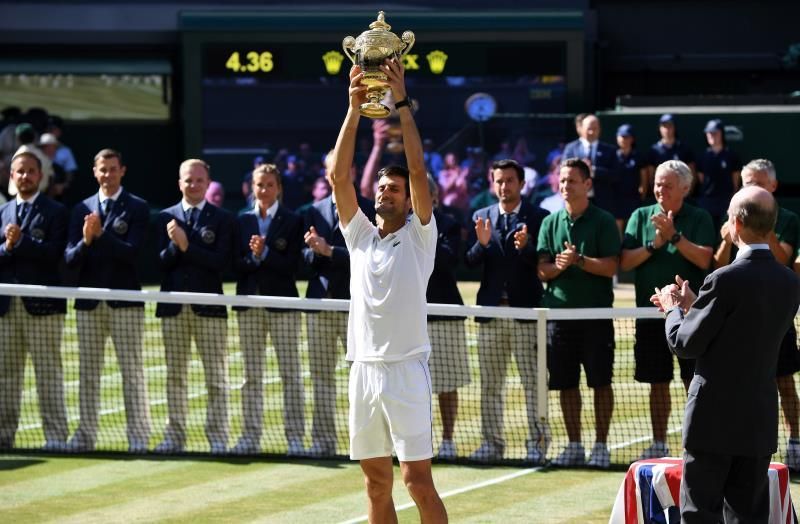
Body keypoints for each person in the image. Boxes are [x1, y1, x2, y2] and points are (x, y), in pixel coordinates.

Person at [329, 59, 446, 523]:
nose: (387, 192)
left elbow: (418, 170)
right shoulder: (358, 234)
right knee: (375, 484)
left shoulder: (420, 235)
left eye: (395, 188)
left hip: (406, 372)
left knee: (417, 483)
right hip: (364, 372)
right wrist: (354, 109)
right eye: (381, 186)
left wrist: (399, 102)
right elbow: (339, 178)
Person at [653, 185, 800, 523]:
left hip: (713, 420)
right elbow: (744, 326)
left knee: (700, 515)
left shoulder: (724, 279)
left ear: (734, 223)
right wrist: (697, 307)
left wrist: (673, 308)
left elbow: (684, 344)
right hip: (757, 419)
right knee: (749, 517)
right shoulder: (789, 281)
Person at [619, 160, 714, 459]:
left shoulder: (699, 217)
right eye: (657, 183)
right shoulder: (639, 215)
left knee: (694, 382)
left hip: (692, 316)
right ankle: (659, 442)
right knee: (657, 382)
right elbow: (625, 262)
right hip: (650, 317)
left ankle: (699, 440)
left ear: (685, 188)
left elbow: (704, 260)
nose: (660, 189)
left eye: (667, 185)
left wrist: (674, 236)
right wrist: (654, 244)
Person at [713, 158, 800, 469]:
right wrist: (727, 239)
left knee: (784, 381)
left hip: (774, 313)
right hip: (739, 317)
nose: (752, 188)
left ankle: (796, 441)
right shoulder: (733, 219)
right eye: (747, 182)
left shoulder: (787, 219)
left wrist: (766, 230)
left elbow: (783, 260)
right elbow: (719, 266)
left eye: (759, 183)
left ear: (773, 186)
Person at [65, 148, 150, 453]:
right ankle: (85, 436)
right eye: (103, 169)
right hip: (89, 304)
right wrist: (87, 240)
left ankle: (139, 438)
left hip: (125, 302)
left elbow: (132, 252)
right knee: (88, 374)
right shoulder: (80, 209)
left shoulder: (137, 207)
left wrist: (101, 235)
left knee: (132, 372)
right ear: (94, 171)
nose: (108, 174)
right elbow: (70, 258)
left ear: (122, 171)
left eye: (113, 169)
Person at [536, 157, 620, 468]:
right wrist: (558, 266)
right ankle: (574, 445)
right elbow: (542, 270)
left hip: (596, 317)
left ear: (587, 184)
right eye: (562, 181)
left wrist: (580, 261)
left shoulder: (604, 220)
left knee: (600, 382)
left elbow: (612, 265)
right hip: (559, 318)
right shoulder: (549, 222)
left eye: (571, 180)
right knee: (566, 384)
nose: (565, 186)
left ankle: (600, 445)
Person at [465, 159, 549, 463]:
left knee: (533, 384)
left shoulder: (540, 217)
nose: (504, 187)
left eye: (510, 181)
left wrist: (527, 247)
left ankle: (537, 445)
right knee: (490, 385)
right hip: (491, 314)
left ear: (521, 184)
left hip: (527, 314)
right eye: (499, 181)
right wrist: (482, 244)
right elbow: (470, 261)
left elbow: (542, 262)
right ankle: (491, 443)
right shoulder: (480, 216)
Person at [154, 159, 233, 455]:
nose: (193, 185)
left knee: (216, 376)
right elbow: (160, 262)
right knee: (175, 375)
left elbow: (220, 263)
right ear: (180, 183)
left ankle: (218, 439)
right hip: (173, 307)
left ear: (207, 183)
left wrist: (187, 246)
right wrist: (176, 245)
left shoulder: (223, 219)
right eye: (188, 180)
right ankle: (174, 436)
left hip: (209, 308)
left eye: (199, 180)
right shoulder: (165, 217)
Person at [302, 153, 375, 457]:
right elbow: (300, 261)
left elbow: (371, 257)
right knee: (321, 377)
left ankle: (369, 442)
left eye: (344, 167)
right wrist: (314, 252)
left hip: (356, 306)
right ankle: (323, 440)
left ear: (353, 171)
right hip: (320, 304)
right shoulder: (311, 212)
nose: (338, 173)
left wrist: (329, 251)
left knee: (364, 377)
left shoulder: (370, 209)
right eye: (333, 168)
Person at [232, 163, 305, 456]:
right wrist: (254, 258)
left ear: (279, 189)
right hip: (249, 305)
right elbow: (235, 264)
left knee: (291, 374)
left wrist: (266, 253)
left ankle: (295, 439)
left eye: (269, 185)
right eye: (259, 185)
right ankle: (250, 436)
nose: (263, 190)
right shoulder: (241, 221)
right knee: (251, 375)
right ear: (252, 188)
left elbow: (293, 265)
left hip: (282, 305)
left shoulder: (292, 220)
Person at [0, 151, 68, 451]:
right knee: (5, 376)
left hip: (43, 306)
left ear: (40, 176)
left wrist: (22, 243)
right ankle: (4, 436)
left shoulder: (56, 211)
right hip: (6, 307)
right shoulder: (2, 213)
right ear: (11, 176)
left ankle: (55, 438)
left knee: (48, 374)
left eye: (30, 171)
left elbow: (56, 255)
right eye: (19, 171)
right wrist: (8, 247)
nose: (24, 176)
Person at [426, 174, 471, 461]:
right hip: (409, 314)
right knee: (411, 385)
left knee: (447, 382)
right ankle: (417, 441)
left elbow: (448, 259)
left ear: (434, 197)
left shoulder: (450, 224)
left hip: (444, 311)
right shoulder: (397, 224)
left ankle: (448, 440)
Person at [562, 114, 617, 215]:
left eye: (595, 129)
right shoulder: (570, 149)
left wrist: (593, 171)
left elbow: (615, 175)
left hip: (602, 201)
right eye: (589, 129)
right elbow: (563, 173)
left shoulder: (610, 150)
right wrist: (581, 170)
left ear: (599, 129)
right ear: (581, 129)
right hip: (577, 199)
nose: (592, 132)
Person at [696, 118, 741, 231]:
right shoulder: (703, 156)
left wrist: (733, 197)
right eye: (709, 133)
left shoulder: (731, 155)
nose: (711, 135)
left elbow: (735, 179)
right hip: (706, 202)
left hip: (726, 202)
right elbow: (701, 178)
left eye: (715, 132)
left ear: (721, 134)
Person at [646, 114, 696, 199]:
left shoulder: (684, 149)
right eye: (664, 126)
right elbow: (651, 177)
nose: (667, 129)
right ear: (660, 128)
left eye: (670, 126)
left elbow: (692, 174)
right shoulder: (653, 150)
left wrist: (686, 194)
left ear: (674, 128)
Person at [612, 124, 648, 235]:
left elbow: (644, 176)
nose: (624, 139)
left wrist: (642, 190)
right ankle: (618, 251)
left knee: (633, 226)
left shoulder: (638, 156)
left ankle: (631, 249)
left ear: (632, 139)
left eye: (627, 137)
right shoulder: (612, 155)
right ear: (617, 138)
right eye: (621, 136)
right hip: (616, 197)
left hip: (633, 196)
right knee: (617, 228)